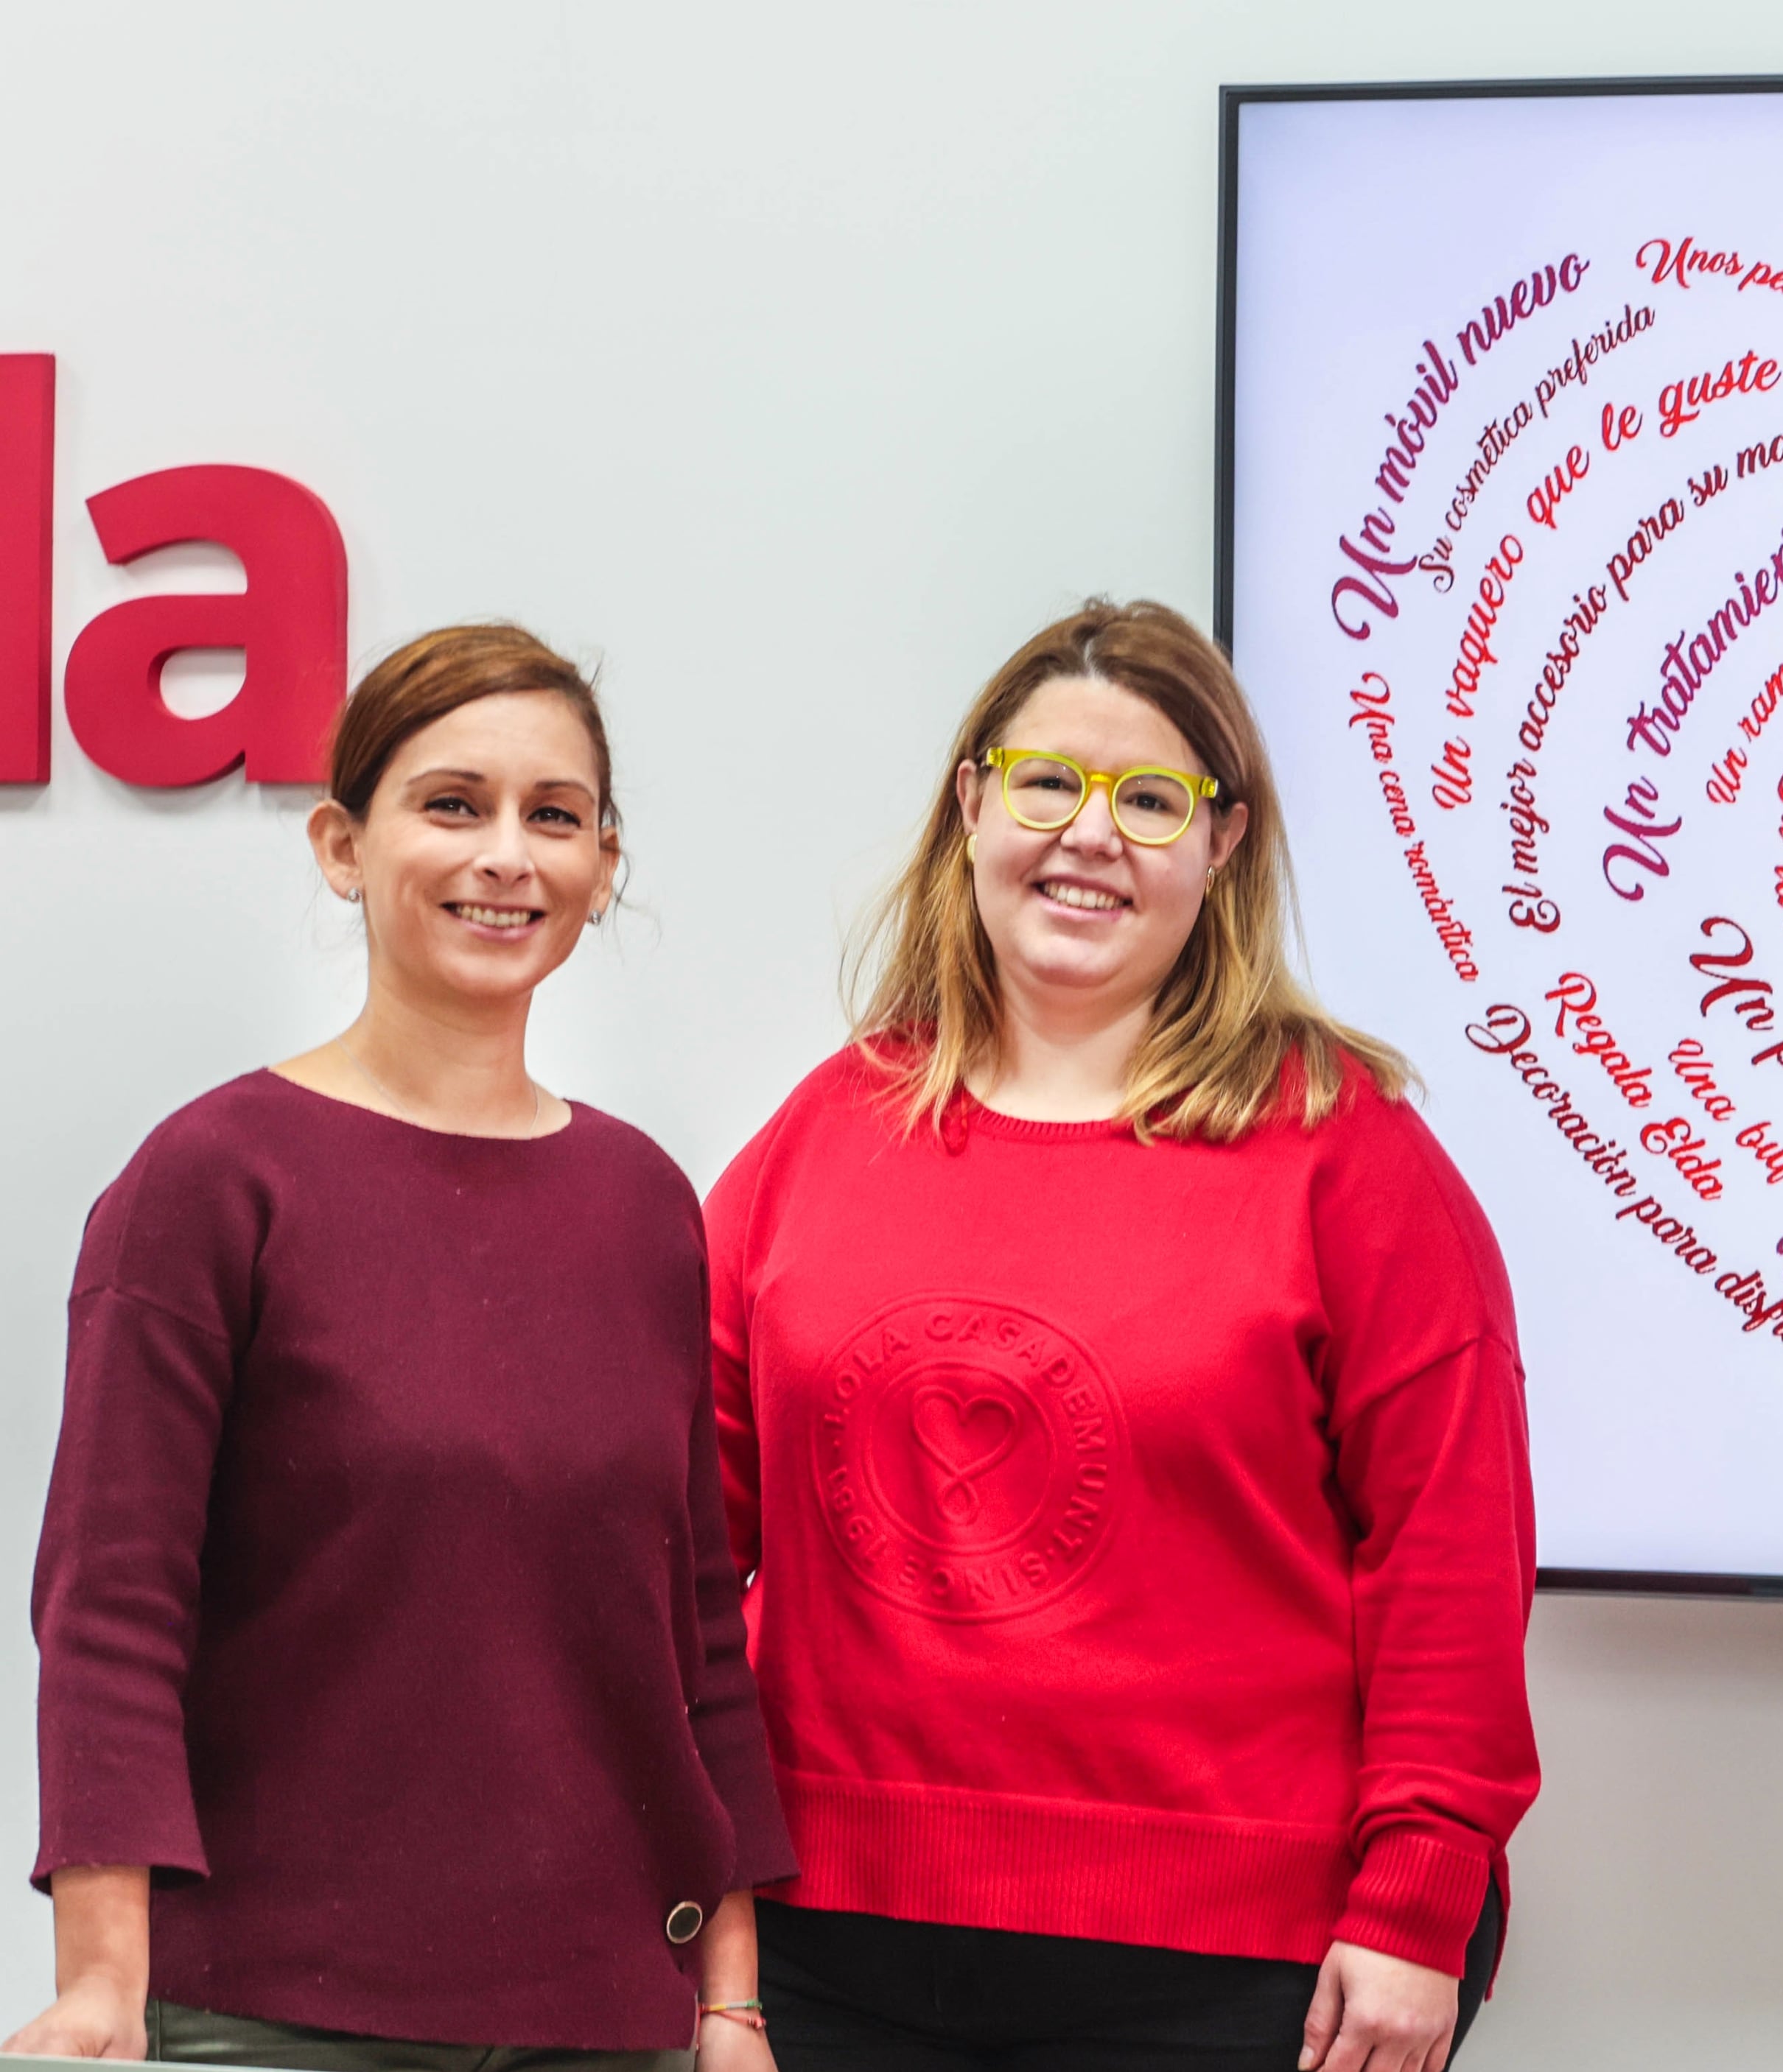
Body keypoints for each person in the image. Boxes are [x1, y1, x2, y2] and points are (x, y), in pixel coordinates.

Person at [709, 600, 1535, 2072]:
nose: (1090, 835)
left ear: (1222, 847)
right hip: (832, 1942)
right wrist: (706, 1937)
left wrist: (1418, 1901)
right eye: (1045, 783)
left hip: (1234, 1968)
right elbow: (678, 1545)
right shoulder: (821, 1140)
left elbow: (1448, 1560)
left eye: (1151, 801)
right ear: (971, 804)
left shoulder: (1348, 1157)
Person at [15, 626, 794, 2070]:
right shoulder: (213, 1180)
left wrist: (731, 2003)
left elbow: (691, 1630)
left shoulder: (642, 1205)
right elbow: (114, 1615)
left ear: (602, 869)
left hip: (609, 2019)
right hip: (273, 2015)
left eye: (552, 817)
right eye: (452, 805)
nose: (507, 855)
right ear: (340, 845)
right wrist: (103, 1985)